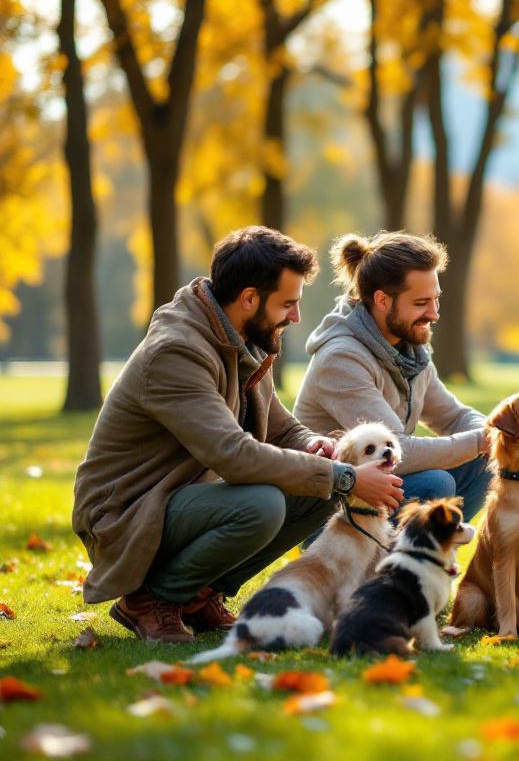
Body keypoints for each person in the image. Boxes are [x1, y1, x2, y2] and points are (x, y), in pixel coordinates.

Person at [72, 226, 403, 643]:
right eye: (288, 304)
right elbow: (233, 455)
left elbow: (281, 427)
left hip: (180, 497)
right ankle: (151, 599)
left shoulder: (241, 337)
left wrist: (316, 447)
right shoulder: (178, 352)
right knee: (262, 503)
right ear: (249, 298)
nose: (296, 317)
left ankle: (198, 596)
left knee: (321, 483)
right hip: (126, 510)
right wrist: (348, 477)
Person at [294, 232, 490, 520]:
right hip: (330, 507)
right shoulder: (341, 358)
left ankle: (430, 559)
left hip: (380, 488)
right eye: (422, 302)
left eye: (436, 299)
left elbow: (451, 417)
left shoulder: (410, 348)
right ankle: (398, 564)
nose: (434, 313)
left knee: (484, 463)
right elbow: (400, 452)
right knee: (436, 484)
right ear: (383, 300)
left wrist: (497, 434)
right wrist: (480, 441)